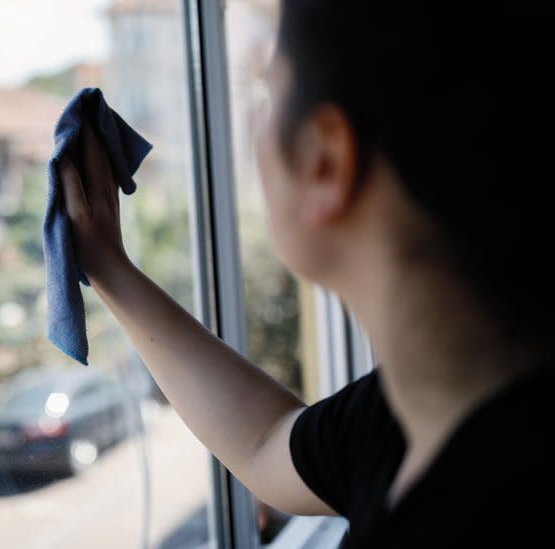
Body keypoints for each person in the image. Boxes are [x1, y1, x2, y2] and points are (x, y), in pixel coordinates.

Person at [57, 2, 552, 547]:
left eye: (268, 95)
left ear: (324, 159)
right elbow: (264, 443)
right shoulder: (422, 406)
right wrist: (111, 268)